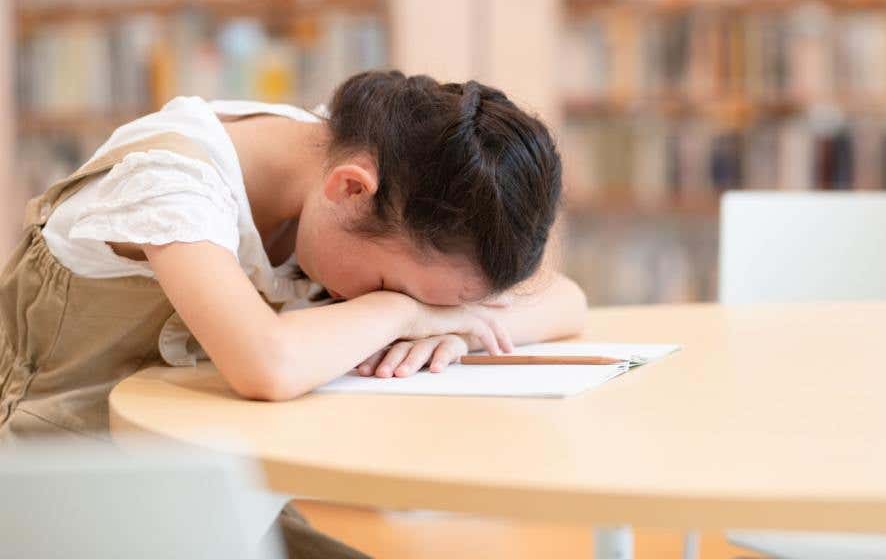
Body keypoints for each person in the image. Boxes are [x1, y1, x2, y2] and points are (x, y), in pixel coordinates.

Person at [0, 70, 587, 558]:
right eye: (391, 285)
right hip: (66, 498)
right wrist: (401, 312)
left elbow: (566, 298)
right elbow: (266, 363)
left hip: (205, 496)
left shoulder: (377, 174)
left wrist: (459, 331)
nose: (404, 303)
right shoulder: (173, 182)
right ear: (350, 190)